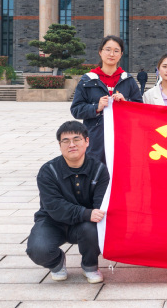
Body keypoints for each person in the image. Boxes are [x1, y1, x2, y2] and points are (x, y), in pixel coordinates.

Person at [26, 121, 110, 284]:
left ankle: (90, 265)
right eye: (66, 141)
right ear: (60, 145)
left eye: (76, 139)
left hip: (85, 224)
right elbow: (54, 206)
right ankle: (56, 263)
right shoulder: (48, 171)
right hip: (53, 221)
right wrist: (85, 213)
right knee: (37, 249)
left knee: (95, 227)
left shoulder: (99, 169)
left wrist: (90, 215)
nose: (71, 145)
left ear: (87, 141)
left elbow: (100, 206)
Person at [70, 35, 142, 162]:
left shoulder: (128, 80)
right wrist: (96, 107)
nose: (111, 54)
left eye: (116, 51)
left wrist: (126, 103)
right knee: (97, 172)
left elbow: (140, 109)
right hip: (95, 139)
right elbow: (76, 110)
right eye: (108, 49)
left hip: (123, 139)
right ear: (100, 52)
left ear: (121, 54)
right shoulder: (88, 80)